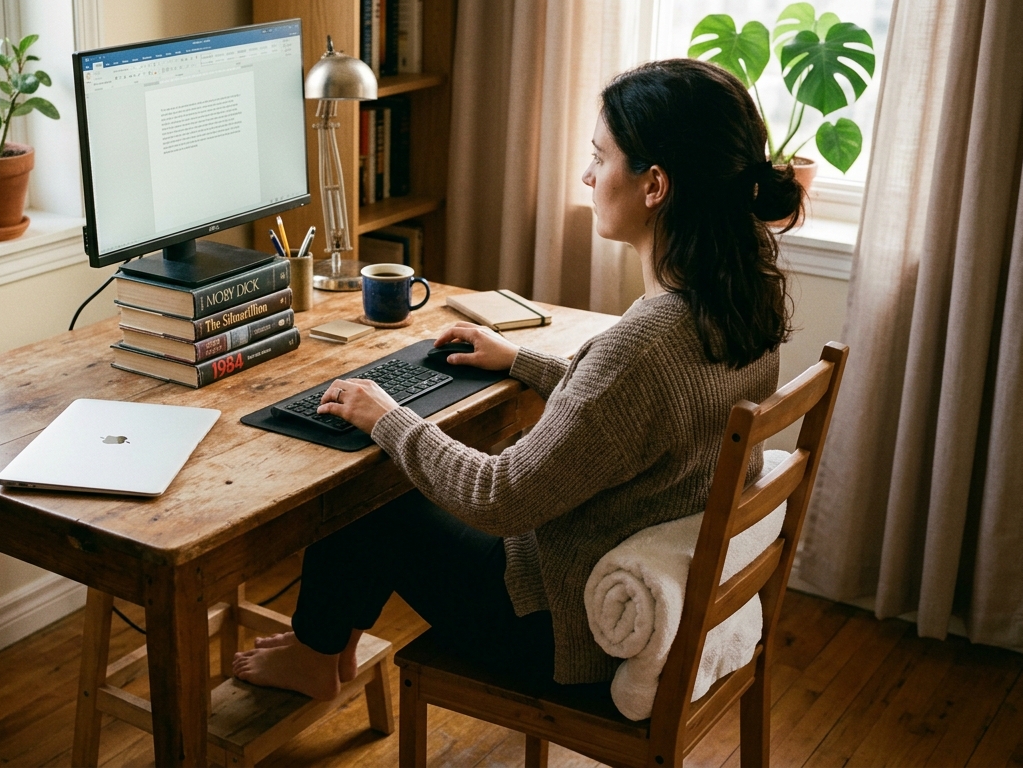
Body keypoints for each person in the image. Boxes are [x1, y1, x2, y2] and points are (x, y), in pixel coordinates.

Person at [232, 58, 801, 702]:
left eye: (600, 157)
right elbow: (642, 414)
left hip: (555, 630)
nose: (587, 176)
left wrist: (386, 415)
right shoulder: (745, 293)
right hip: (614, 582)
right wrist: (524, 362)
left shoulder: (644, 344)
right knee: (395, 475)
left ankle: (315, 655)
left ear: (655, 186)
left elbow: (501, 497)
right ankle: (323, 645)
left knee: (374, 491)